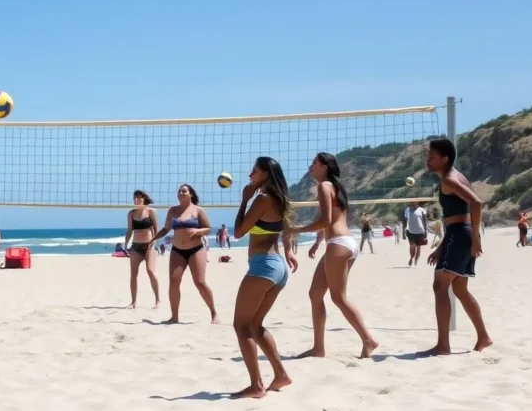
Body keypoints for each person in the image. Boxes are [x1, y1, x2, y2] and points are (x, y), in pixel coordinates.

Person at [287, 152, 379, 359]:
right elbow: (329, 218)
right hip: (343, 243)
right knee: (315, 294)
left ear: (324, 167)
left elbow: (327, 221)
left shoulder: (324, 186)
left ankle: (368, 340)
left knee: (339, 297)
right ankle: (318, 348)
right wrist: (318, 242)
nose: (310, 166)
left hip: (339, 244)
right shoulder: (334, 186)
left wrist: (297, 230)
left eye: (314, 163)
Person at [230, 157, 297, 398]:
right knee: (255, 326)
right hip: (277, 268)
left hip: (263, 266)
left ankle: (257, 385)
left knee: (241, 326)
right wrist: (290, 250)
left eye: (254, 171)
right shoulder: (280, 200)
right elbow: (286, 230)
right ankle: (281, 374)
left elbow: (238, 232)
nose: (250, 175)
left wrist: (244, 201)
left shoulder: (262, 199)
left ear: (266, 174)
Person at [424, 138, 492, 354]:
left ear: (444, 159)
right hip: (458, 235)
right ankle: (483, 337)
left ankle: (443, 346)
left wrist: (476, 237)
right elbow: (459, 215)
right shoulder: (457, 176)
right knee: (460, 289)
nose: (428, 160)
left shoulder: (450, 180)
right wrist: (441, 246)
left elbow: (476, 203)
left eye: (432, 157)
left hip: (461, 235)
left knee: (440, 286)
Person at [150, 184, 219, 324]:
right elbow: (166, 228)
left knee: (199, 282)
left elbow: (208, 229)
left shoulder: (198, 210)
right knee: (174, 282)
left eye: (184, 191)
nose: (180, 193)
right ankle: (174, 317)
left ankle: (213, 312)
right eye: (179, 191)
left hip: (196, 249)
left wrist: (197, 231)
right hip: (177, 250)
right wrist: (153, 239)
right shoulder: (173, 210)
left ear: (191, 194)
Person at [123, 189, 160, 309]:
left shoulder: (151, 211)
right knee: (133, 274)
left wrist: (154, 241)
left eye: (139, 198)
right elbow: (129, 230)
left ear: (144, 199)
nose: (136, 200)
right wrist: (126, 244)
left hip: (149, 245)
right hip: (136, 246)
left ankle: (157, 299)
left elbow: (156, 228)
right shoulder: (131, 213)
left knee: (150, 271)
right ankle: (133, 302)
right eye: (135, 198)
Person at [403, 202, 428, 266]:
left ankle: (416, 261)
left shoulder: (422, 210)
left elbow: (425, 222)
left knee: (418, 247)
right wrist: (403, 231)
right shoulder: (407, 210)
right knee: (412, 246)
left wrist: (426, 232)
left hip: (420, 231)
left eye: (414, 202)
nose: (412, 203)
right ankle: (411, 257)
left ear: (417, 202)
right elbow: (405, 220)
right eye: (411, 202)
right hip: (410, 231)